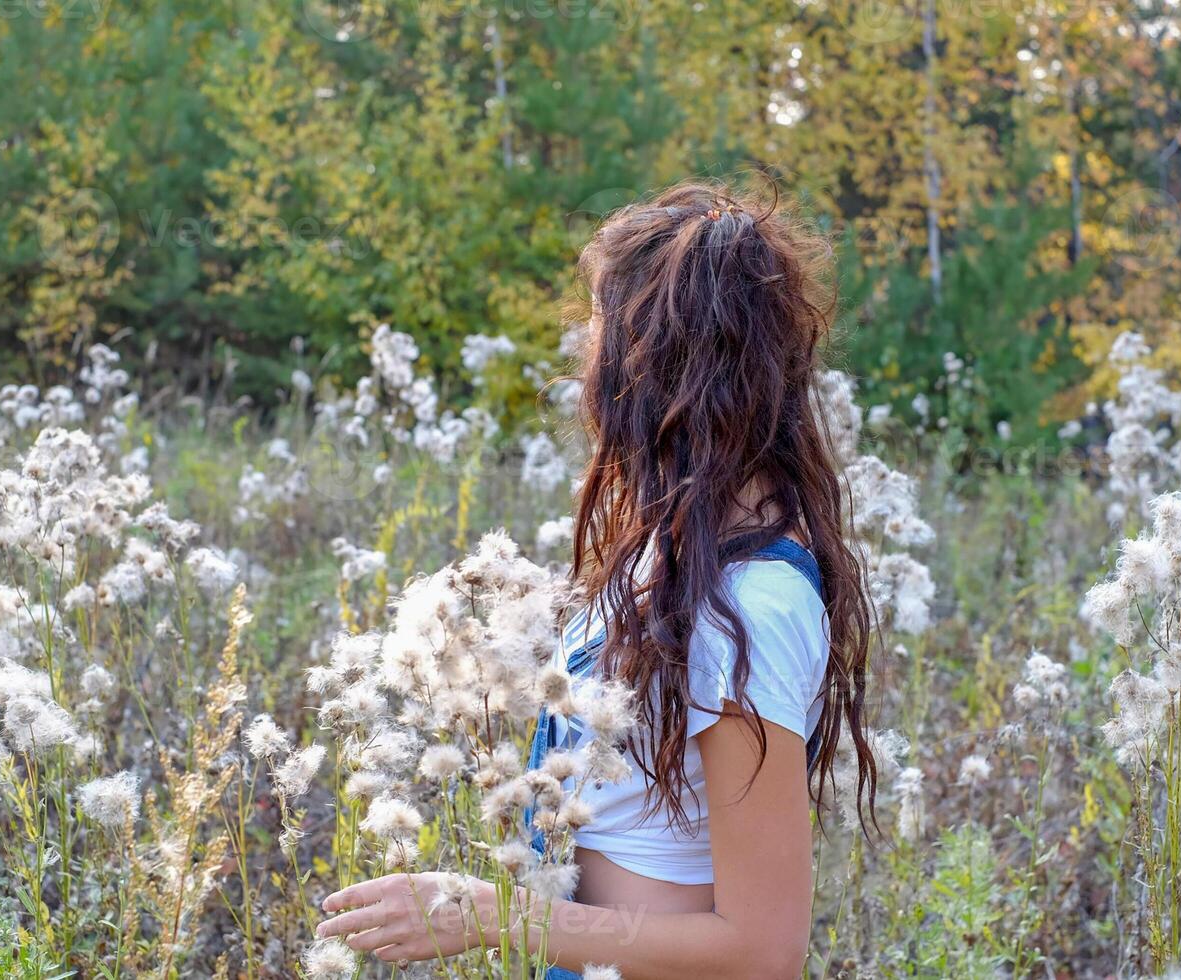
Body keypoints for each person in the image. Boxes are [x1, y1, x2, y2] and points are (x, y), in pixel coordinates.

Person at [315, 181, 882, 979]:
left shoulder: (748, 601)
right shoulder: (685, 549)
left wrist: (496, 916)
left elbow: (763, 950)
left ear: (660, 361)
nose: (586, 352)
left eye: (600, 325)